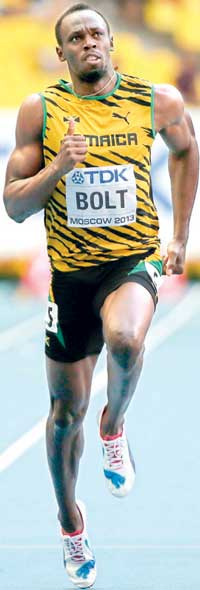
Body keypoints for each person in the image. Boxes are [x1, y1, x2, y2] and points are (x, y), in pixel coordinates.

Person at [3, 3, 199, 588]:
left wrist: (180, 237)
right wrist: (58, 167)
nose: (88, 42)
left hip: (130, 262)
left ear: (111, 42)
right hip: (70, 278)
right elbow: (14, 205)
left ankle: (114, 426)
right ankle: (70, 523)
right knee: (65, 418)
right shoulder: (40, 112)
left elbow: (187, 149)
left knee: (125, 337)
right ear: (60, 53)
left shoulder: (155, 101)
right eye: (75, 38)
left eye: (96, 33)